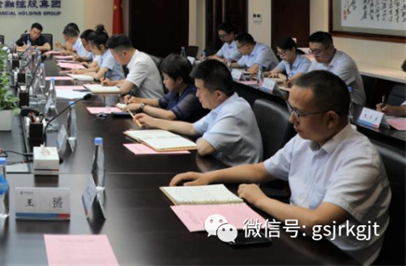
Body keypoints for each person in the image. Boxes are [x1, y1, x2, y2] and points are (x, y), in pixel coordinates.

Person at [170, 70, 391, 265]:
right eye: (290, 108)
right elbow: (262, 170)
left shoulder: (359, 159)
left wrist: (261, 200)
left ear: (331, 119)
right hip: (297, 235)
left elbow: (317, 223)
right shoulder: (306, 138)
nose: (291, 119)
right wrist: (209, 177)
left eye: (299, 113)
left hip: (336, 254)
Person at [134, 59, 262, 166]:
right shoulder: (224, 104)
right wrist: (153, 122)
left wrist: (203, 137)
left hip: (237, 179)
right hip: (218, 166)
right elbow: (192, 128)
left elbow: (203, 148)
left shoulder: (233, 113)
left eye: (200, 90)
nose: (197, 94)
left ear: (218, 94)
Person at [122, 54, 206, 122]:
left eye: (166, 78)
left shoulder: (193, 95)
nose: (164, 82)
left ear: (179, 80)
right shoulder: (176, 90)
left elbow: (169, 115)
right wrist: (136, 100)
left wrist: (141, 106)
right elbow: (160, 102)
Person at [307, 31, 365, 118]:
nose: (314, 55)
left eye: (317, 51)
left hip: (351, 110)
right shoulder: (318, 61)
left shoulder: (345, 63)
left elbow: (329, 90)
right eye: (311, 51)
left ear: (331, 48)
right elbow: (307, 82)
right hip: (329, 103)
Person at [101, 34, 163, 99]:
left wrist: (116, 86)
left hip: (150, 103)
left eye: (114, 56)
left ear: (124, 53)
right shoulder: (136, 58)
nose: (115, 59)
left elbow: (124, 90)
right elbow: (129, 80)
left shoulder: (140, 62)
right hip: (139, 101)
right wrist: (112, 83)